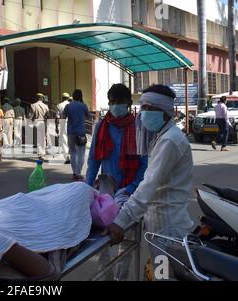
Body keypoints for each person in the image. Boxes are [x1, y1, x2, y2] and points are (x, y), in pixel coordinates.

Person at [106, 85, 194, 280]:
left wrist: (121, 220)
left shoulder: (170, 141)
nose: (143, 114)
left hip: (166, 229)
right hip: (160, 225)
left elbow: (148, 186)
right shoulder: (162, 137)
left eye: (148, 108)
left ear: (163, 111)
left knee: (163, 276)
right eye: (142, 107)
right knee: (163, 274)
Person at [86, 83, 148, 280]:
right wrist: (87, 190)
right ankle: (106, 276)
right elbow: (94, 160)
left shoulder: (140, 126)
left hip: (131, 190)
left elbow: (144, 164)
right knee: (100, 239)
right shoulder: (101, 126)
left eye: (119, 102)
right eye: (112, 102)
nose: (115, 106)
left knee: (127, 239)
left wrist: (131, 188)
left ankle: (121, 277)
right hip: (106, 190)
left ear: (129, 103)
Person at [62, 89, 89, 181]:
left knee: (73, 153)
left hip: (71, 132)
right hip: (81, 133)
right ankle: (78, 172)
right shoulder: (83, 106)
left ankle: (74, 173)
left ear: (73, 96)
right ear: (81, 96)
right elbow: (88, 116)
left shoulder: (68, 106)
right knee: (81, 154)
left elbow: (63, 116)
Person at [29, 93, 50, 160]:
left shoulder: (33, 105)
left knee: (38, 139)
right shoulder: (45, 106)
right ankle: (43, 153)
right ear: (42, 98)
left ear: (37, 98)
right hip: (43, 122)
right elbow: (48, 116)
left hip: (36, 122)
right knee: (43, 139)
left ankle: (40, 154)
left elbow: (30, 116)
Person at [56, 92, 71, 163]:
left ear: (62, 98)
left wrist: (56, 127)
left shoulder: (59, 105)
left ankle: (67, 157)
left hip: (63, 123)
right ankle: (73, 156)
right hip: (71, 123)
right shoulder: (71, 105)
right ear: (68, 98)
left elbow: (57, 117)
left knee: (64, 140)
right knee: (71, 139)